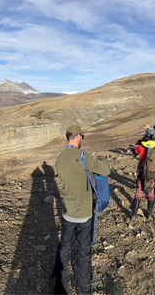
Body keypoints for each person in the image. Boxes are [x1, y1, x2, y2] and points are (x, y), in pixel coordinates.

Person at [51, 125, 111, 295]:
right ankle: (83, 290)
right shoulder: (85, 157)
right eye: (82, 136)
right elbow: (106, 170)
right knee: (83, 253)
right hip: (85, 214)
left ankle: (61, 288)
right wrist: (102, 159)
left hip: (68, 212)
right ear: (77, 136)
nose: (82, 139)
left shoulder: (60, 157)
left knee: (65, 248)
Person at [131, 128, 155, 220]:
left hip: (142, 173)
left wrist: (139, 142)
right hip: (152, 173)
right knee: (151, 193)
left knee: (138, 192)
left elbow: (134, 150)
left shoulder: (141, 147)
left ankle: (133, 215)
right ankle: (149, 214)